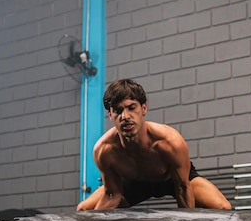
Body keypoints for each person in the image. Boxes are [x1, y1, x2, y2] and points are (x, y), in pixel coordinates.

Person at [77, 79, 231, 211]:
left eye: (131, 108)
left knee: (223, 208)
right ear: (110, 115)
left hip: (173, 180)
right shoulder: (104, 150)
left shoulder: (169, 142)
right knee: (84, 210)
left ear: (143, 108)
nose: (125, 116)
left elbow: (182, 188)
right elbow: (112, 194)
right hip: (133, 183)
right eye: (118, 111)